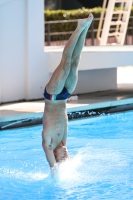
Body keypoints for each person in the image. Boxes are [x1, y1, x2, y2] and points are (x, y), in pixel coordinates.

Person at [42, 13, 94, 171]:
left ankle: (79, 26)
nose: (66, 155)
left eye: (62, 157)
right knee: (75, 61)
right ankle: (85, 27)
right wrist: (66, 160)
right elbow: (65, 159)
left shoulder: (49, 142)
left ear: (54, 156)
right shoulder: (63, 141)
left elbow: (53, 168)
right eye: (67, 157)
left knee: (65, 63)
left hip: (53, 95)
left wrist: (54, 167)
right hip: (64, 96)